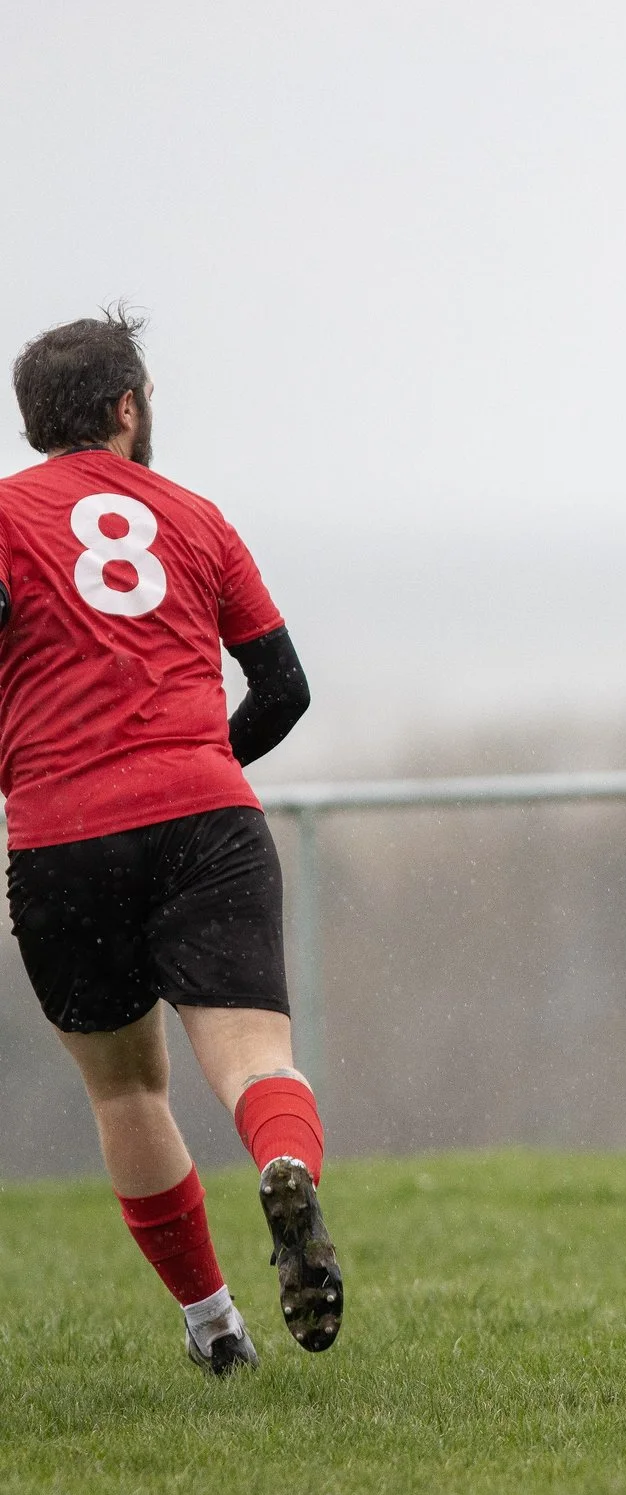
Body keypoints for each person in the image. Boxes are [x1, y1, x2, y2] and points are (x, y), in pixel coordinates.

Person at [0, 311, 337, 1374]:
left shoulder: (5, 517)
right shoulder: (195, 517)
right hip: (206, 816)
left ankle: (216, 1332)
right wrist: (201, 766)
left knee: (129, 1090)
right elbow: (283, 688)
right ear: (128, 408)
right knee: (253, 1062)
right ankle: (284, 1166)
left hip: (65, 833)